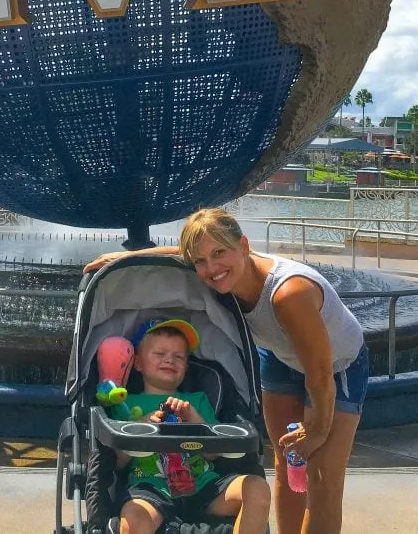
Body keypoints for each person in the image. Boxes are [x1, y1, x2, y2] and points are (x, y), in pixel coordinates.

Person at [87, 209, 368, 534]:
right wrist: (129, 259)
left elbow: (319, 375)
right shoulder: (223, 269)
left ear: (244, 246)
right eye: (201, 262)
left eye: (220, 253)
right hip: (280, 356)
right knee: (287, 459)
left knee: (321, 476)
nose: (211, 269)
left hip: (336, 367)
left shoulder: (288, 294)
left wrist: (316, 431)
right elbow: (189, 253)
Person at [113, 317, 270, 534]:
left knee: (257, 488)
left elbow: (214, 455)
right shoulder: (125, 404)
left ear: (186, 366)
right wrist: (142, 426)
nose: (169, 360)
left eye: (178, 356)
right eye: (160, 354)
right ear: (138, 362)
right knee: (132, 518)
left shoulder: (198, 400)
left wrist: (195, 420)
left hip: (204, 485)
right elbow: (117, 461)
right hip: (150, 488)